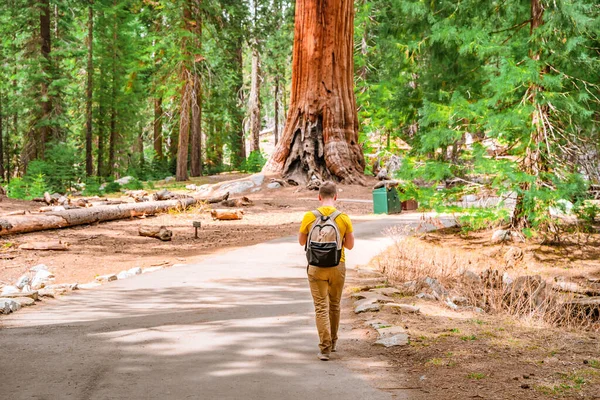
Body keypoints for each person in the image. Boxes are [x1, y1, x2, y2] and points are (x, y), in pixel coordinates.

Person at [298, 181, 354, 361]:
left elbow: (301, 242)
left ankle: (324, 348)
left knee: (321, 307)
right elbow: (350, 246)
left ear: (319, 197)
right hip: (338, 265)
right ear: (336, 196)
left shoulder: (309, 216)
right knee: (335, 305)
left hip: (315, 267)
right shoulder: (343, 217)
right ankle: (334, 341)